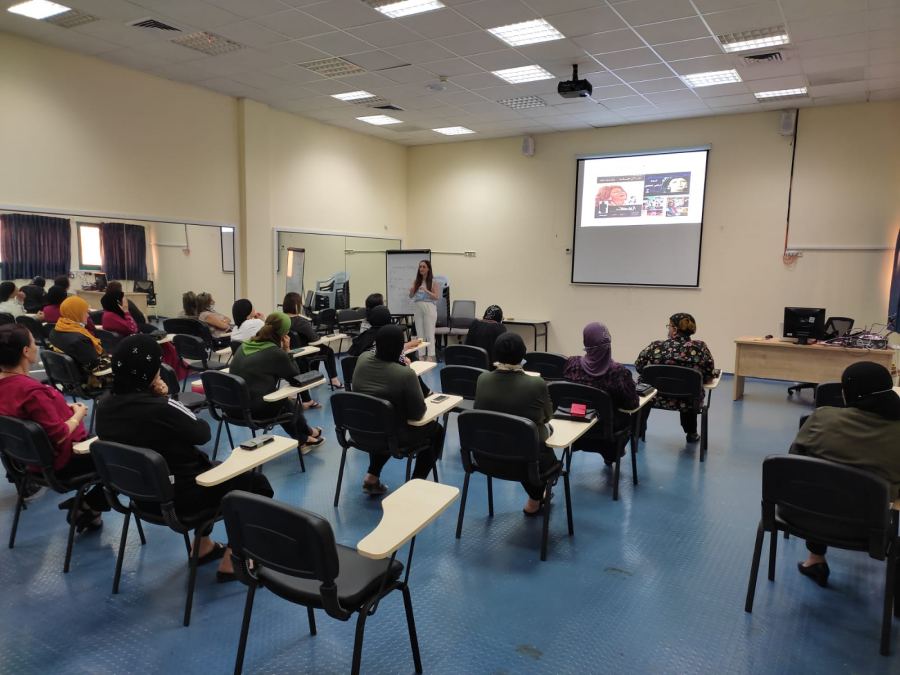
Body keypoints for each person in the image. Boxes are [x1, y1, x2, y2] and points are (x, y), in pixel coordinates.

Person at [95, 335, 274, 582]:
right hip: (183, 499)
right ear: (149, 371)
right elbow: (202, 432)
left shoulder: (103, 407)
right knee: (256, 483)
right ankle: (235, 560)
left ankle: (203, 547)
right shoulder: (161, 407)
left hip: (142, 498)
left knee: (208, 471)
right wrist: (163, 398)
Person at [790, 361, 900, 587]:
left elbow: (793, 461)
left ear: (848, 392)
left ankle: (815, 558)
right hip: (871, 528)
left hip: (805, 517)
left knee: (820, 483)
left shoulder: (822, 417)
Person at [0, 323, 107, 530]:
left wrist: (62, 408)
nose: (36, 346)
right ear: (25, 351)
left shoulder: (10, 387)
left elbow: (30, 417)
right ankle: (88, 505)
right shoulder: (32, 392)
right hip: (63, 463)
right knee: (124, 456)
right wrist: (77, 414)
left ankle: (91, 512)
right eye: (33, 342)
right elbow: (58, 435)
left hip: (27, 463)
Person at [351, 325, 443, 495]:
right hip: (392, 436)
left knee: (383, 423)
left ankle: (372, 476)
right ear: (400, 349)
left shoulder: (362, 359)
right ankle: (416, 484)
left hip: (360, 430)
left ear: (376, 344)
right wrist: (406, 368)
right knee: (436, 432)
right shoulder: (405, 374)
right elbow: (418, 413)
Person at [474, 332, 558, 515]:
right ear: (522, 354)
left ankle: (535, 499)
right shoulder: (536, 384)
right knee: (538, 439)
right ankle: (535, 498)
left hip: (486, 458)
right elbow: (548, 417)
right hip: (526, 463)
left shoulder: (482, 379)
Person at [228, 313, 325, 449]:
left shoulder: (244, 346)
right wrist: (287, 350)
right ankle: (304, 438)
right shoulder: (274, 352)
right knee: (289, 405)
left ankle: (307, 435)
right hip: (252, 411)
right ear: (284, 333)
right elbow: (296, 377)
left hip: (231, 408)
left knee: (283, 403)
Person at [563, 323, 639, 464]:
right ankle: (612, 454)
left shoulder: (572, 364)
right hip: (607, 434)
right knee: (630, 417)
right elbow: (632, 404)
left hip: (575, 429)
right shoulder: (618, 372)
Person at [634, 312, 715, 443]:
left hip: (654, 397)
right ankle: (691, 433)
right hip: (687, 401)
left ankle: (637, 431)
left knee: (643, 388)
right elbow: (709, 373)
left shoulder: (655, 346)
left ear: (675, 330)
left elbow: (639, 367)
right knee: (691, 390)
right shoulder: (700, 348)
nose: (668, 329)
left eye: (669, 326)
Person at [102, 288, 188, 380]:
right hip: (131, 346)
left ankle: (173, 371)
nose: (126, 302)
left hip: (128, 343)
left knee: (164, 343)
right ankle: (173, 373)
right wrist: (126, 312)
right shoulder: (111, 316)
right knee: (165, 345)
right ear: (118, 303)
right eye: (124, 300)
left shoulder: (109, 314)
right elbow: (133, 328)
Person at [48, 296, 111, 391]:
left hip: (68, 378)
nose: (88, 315)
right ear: (76, 313)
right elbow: (94, 364)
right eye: (85, 312)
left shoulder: (56, 330)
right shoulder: (79, 340)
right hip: (89, 381)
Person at [282, 292, 342, 388]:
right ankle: (334, 380)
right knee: (328, 351)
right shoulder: (301, 321)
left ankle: (315, 377)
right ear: (297, 306)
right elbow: (315, 339)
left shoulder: (281, 319)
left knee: (319, 349)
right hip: (304, 352)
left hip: (289, 352)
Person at [408, 260, 440, 361]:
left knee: (429, 332)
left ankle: (430, 355)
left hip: (429, 307)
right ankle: (421, 355)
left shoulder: (433, 282)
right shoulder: (416, 281)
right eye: (420, 267)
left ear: (428, 269)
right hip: (418, 307)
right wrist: (411, 291)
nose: (421, 269)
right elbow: (411, 296)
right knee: (420, 332)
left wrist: (426, 290)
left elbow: (436, 297)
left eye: (423, 267)